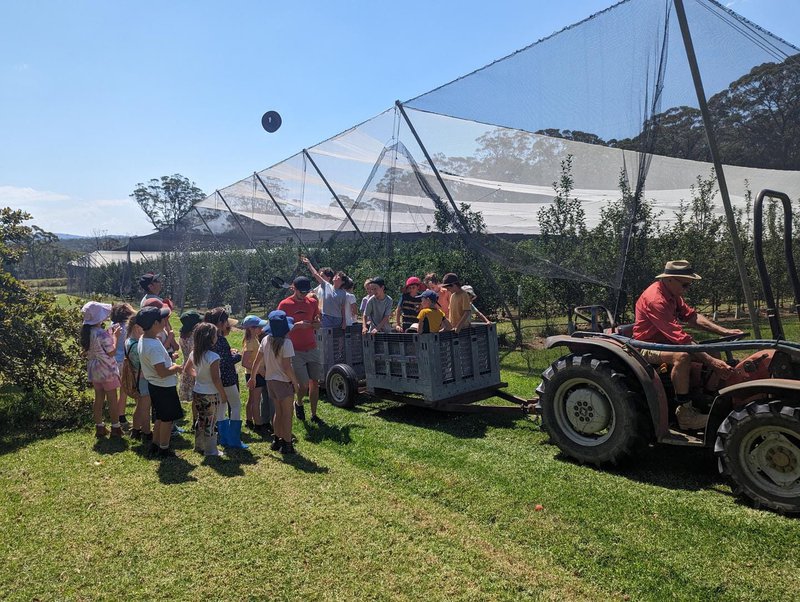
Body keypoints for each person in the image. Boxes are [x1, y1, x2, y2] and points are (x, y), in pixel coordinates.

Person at [633, 260, 743, 430]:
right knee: (682, 357)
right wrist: (713, 364)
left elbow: (692, 317)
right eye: (685, 285)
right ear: (669, 279)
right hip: (647, 346)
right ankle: (685, 414)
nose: (687, 289)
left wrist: (725, 332)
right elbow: (681, 339)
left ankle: (707, 399)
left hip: (667, 343)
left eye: (689, 285)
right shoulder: (655, 300)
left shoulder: (672, 294)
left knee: (713, 352)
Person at [248, 311, 301, 454]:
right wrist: (295, 382)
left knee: (278, 411)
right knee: (287, 414)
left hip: (270, 381)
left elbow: (257, 361)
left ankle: (277, 440)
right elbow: (287, 367)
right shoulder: (286, 343)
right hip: (283, 382)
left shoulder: (265, 340)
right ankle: (287, 444)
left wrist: (253, 377)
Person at [136, 305, 184, 458]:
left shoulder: (144, 339)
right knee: (167, 420)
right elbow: (162, 372)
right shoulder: (153, 346)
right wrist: (176, 368)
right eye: (162, 319)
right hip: (164, 386)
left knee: (161, 417)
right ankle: (164, 448)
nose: (165, 321)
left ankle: (155, 444)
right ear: (156, 324)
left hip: (155, 385)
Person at [278, 276, 324, 424]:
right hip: (294, 349)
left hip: (312, 347)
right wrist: (296, 326)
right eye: (301, 292)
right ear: (294, 289)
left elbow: (317, 320)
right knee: (303, 385)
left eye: (306, 292)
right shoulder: (284, 305)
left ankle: (314, 414)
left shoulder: (312, 302)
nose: (304, 295)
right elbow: (278, 328)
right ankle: (298, 402)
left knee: (315, 382)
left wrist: (317, 323)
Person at [204, 307, 246, 449]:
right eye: (226, 321)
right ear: (221, 323)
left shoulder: (208, 339)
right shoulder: (221, 340)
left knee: (221, 407)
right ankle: (234, 439)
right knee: (235, 406)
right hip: (227, 379)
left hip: (215, 379)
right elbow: (226, 362)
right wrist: (238, 356)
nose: (227, 324)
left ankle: (223, 437)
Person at [183, 323, 227, 457]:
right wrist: (223, 394)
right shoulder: (213, 357)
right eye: (215, 335)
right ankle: (211, 450)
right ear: (210, 338)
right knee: (210, 421)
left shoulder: (194, 353)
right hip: (210, 394)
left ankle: (199, 445)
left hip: (198, 391)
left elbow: (187, 369)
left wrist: (198, 375)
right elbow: (216, 379)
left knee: (201, 419)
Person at [81, 301, 123, 439]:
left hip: (94, 370)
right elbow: (111, 352)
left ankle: (99, 426)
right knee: (112, 398)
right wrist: (115, 337)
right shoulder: (101, 333)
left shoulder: (88, 332)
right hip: (107, 370)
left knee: (98, 397)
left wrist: (109, 333)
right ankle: (116, 427)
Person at [123, 314, 152, 443]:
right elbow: (144, 364)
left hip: (137, 378)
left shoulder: (128, 341)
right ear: (136, 327)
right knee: (145, 407)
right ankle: (146, 432)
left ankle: (135, 430)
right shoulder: (135, 346)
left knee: (140, 405)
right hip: (143, 379)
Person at [302, 256, 347, 329]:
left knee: (336, 336)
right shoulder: (326, 285)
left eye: (339, 276)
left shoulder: (343, 293)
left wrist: (344, 322)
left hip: (338, 319)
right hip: (326, 318)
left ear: (342, 282)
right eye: (336, 275)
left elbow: (343, 308)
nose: (336, 276)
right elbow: (315, 274)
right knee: (324, 335)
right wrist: (309, 263)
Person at [110, 303, 135, 428]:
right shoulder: (127, 327)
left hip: (111, 361)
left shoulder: (112, 326)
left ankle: (114, 417)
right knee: (123, 391)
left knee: (112, 391)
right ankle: (121, 416)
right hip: (123, 361)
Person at [241, 314, 268, 432]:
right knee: (256, 401)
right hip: (256, 375)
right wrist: (259, 370)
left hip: (255, 374)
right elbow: (244, 362)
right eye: (259, 327)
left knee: (252, 399)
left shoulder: (254, 339)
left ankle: (249, 420)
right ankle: (258, 424)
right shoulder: (250, 342)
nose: (261, 329)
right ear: (251, 329)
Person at [178, 310, 203, 406]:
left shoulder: (182, 335)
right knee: (198, 395)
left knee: (194, 396)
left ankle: (195, 414)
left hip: (187, 364)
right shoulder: (194, 336)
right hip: (195, 366)